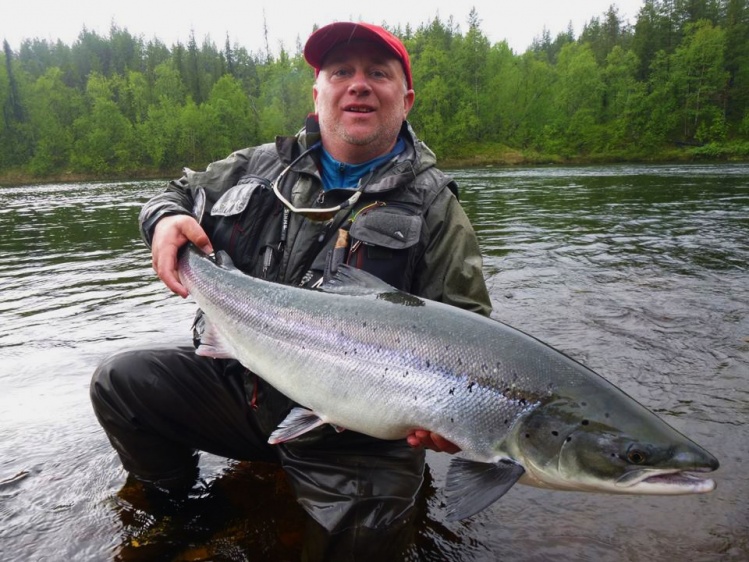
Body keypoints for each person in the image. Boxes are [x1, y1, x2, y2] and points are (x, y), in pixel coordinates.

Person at [91, 21, 492, 560]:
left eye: (378, 73)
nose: (358, 84)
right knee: (121, 383)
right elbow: (175, 194)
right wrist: (163, 220)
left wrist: (460, 419)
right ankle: (191, 517)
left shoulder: (435, 207)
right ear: (318, 91)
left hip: (354, 435)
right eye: (341, 72)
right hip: (245, 388)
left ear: (406, 98)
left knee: (362, 546)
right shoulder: (255, 167)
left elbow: (470, 332)